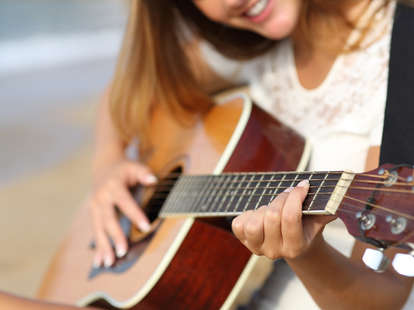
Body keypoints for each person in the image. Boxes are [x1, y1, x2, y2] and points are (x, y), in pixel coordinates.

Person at [86, 0, 414, 309]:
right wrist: (106, 165)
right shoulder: (254, 46)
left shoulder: (401, 51)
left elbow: (385, 297)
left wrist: (306, 253)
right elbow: (132, 90)